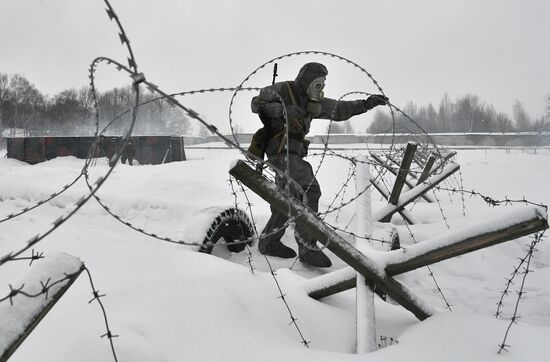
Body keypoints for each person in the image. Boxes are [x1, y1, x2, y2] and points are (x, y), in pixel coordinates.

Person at [250, 62, 387, 267]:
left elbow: (341, 109)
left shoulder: (313, 102)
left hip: (293, 154)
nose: (320, 88)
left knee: (286, 198)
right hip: (279, 151)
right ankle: (307, 247)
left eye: (322, 84)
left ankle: (269, 241)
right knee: (309, 189)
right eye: (317, 83)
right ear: (306, 80)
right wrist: (278, 109)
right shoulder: (282, 90)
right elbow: (256, 104)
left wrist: (367, 104)